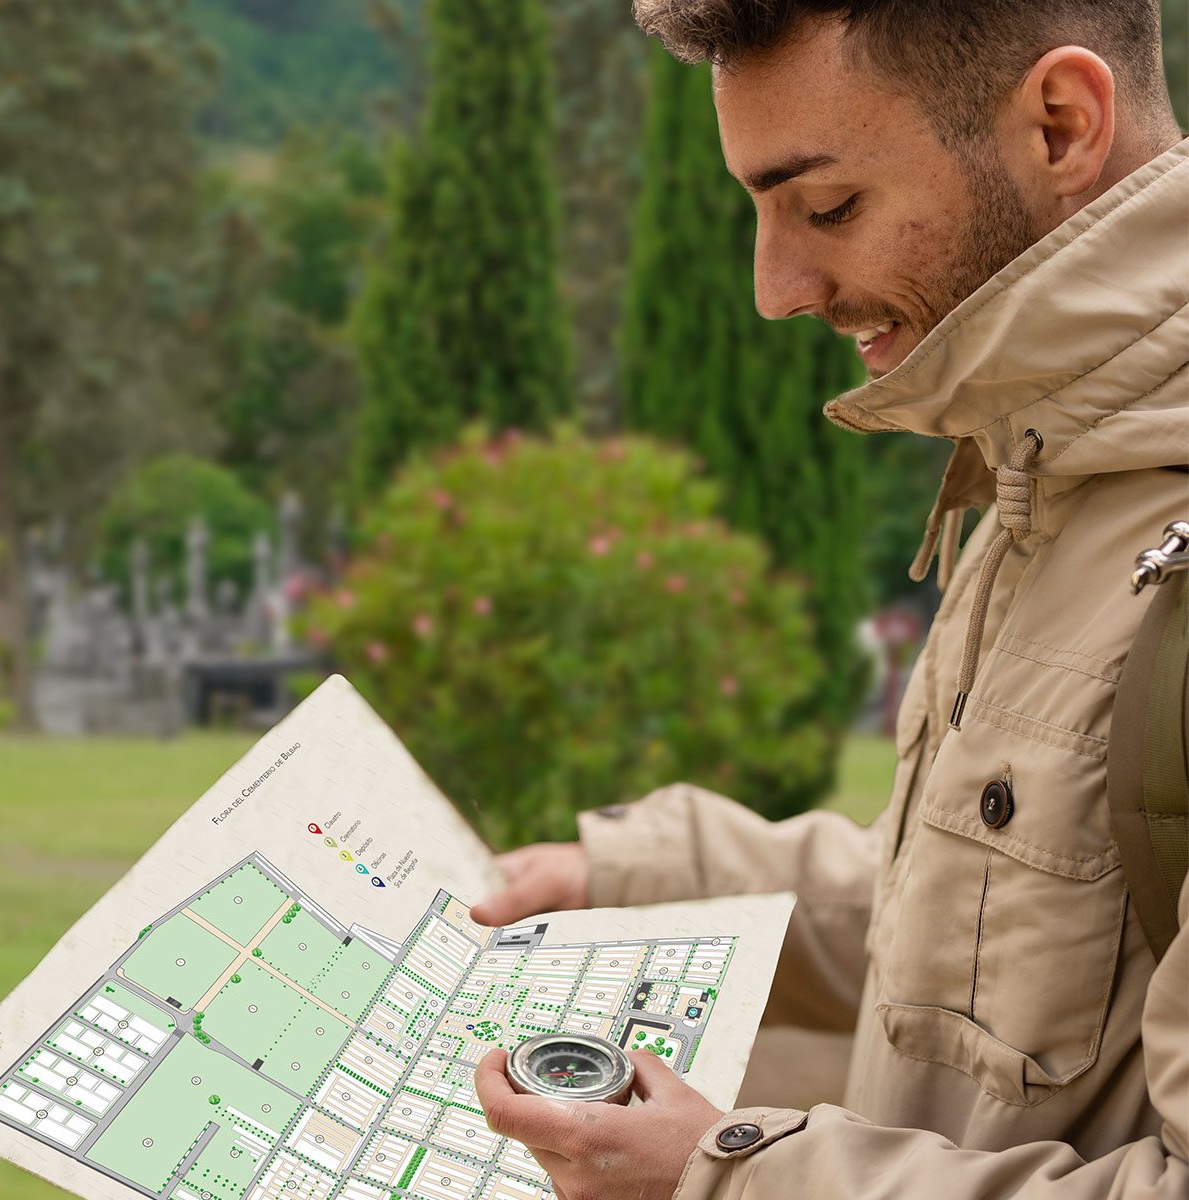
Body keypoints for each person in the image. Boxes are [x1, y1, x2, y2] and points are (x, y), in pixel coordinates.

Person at [468, 3, 1189, 1198]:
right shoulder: (1053, 466)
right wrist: (635, 880)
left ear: (1060, 126)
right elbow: (1007, 933)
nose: (774, 288)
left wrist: (725, 1179)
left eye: (828, 207)